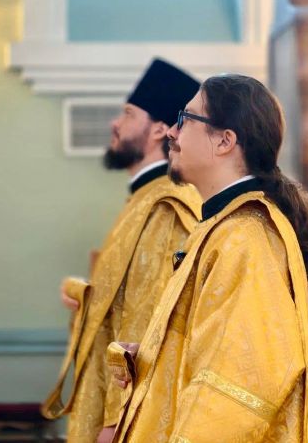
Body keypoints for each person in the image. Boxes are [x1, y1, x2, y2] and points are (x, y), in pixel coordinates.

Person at [109, 74, 308, 442]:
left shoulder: (245, 237)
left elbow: (236, 385)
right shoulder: (221, 227)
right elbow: (206, 348)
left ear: (225, 141)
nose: (172, 133)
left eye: (185, 119)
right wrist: (153, 356)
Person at [41, 59, 202, 443]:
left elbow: (148, 320)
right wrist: (84, 294)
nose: (116, 123)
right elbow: (124, 298)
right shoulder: (143, 200)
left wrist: (119, 420)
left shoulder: (166, 205)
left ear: (159, 129)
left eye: (128, 114)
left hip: (128, 416)